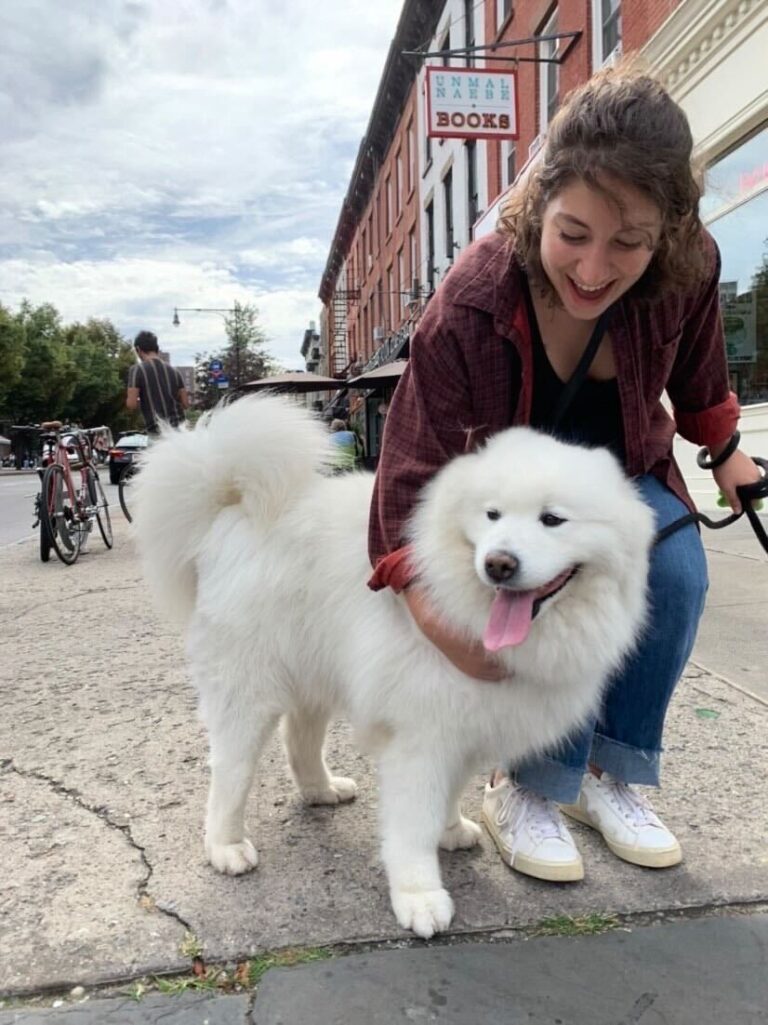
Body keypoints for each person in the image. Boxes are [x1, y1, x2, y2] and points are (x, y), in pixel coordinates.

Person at [367, 61, 762, 884]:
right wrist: (441, 626)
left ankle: (617, 775)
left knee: (678, 574)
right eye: (573, 233)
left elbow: (699, 377)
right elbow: (406, 474)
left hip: (618, 470)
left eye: (628, 242)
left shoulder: (689, 267)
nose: (592, 267)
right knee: (530, 597)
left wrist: (729, 455)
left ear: (669, 234)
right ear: (539, 203)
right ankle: (533, 784)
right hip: (515, 488)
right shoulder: (471, 304)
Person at [126, 331, 189, 435]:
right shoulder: (175, 372)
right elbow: (186, 404)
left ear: (138, 350)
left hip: (157, 431)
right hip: (180, 430)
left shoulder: (137, 370)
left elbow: (131, 404)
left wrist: (146, 401)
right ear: (157, 349)